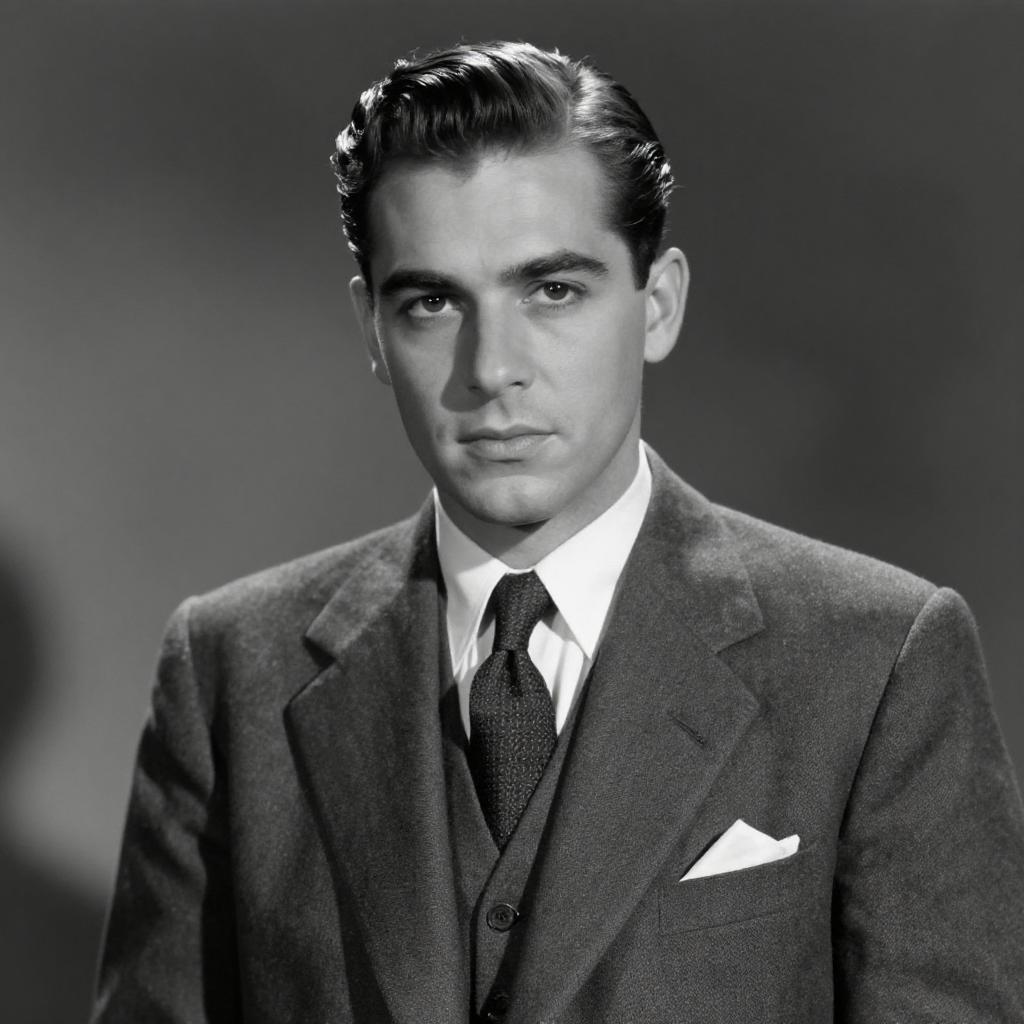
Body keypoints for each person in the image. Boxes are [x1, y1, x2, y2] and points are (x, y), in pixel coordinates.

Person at [91, 40, 1024, 1024]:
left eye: (553, 290)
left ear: (655, 305)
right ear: (372, 330)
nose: (492, 368)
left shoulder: (875, 660)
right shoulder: (231, 669)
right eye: (433, 301)